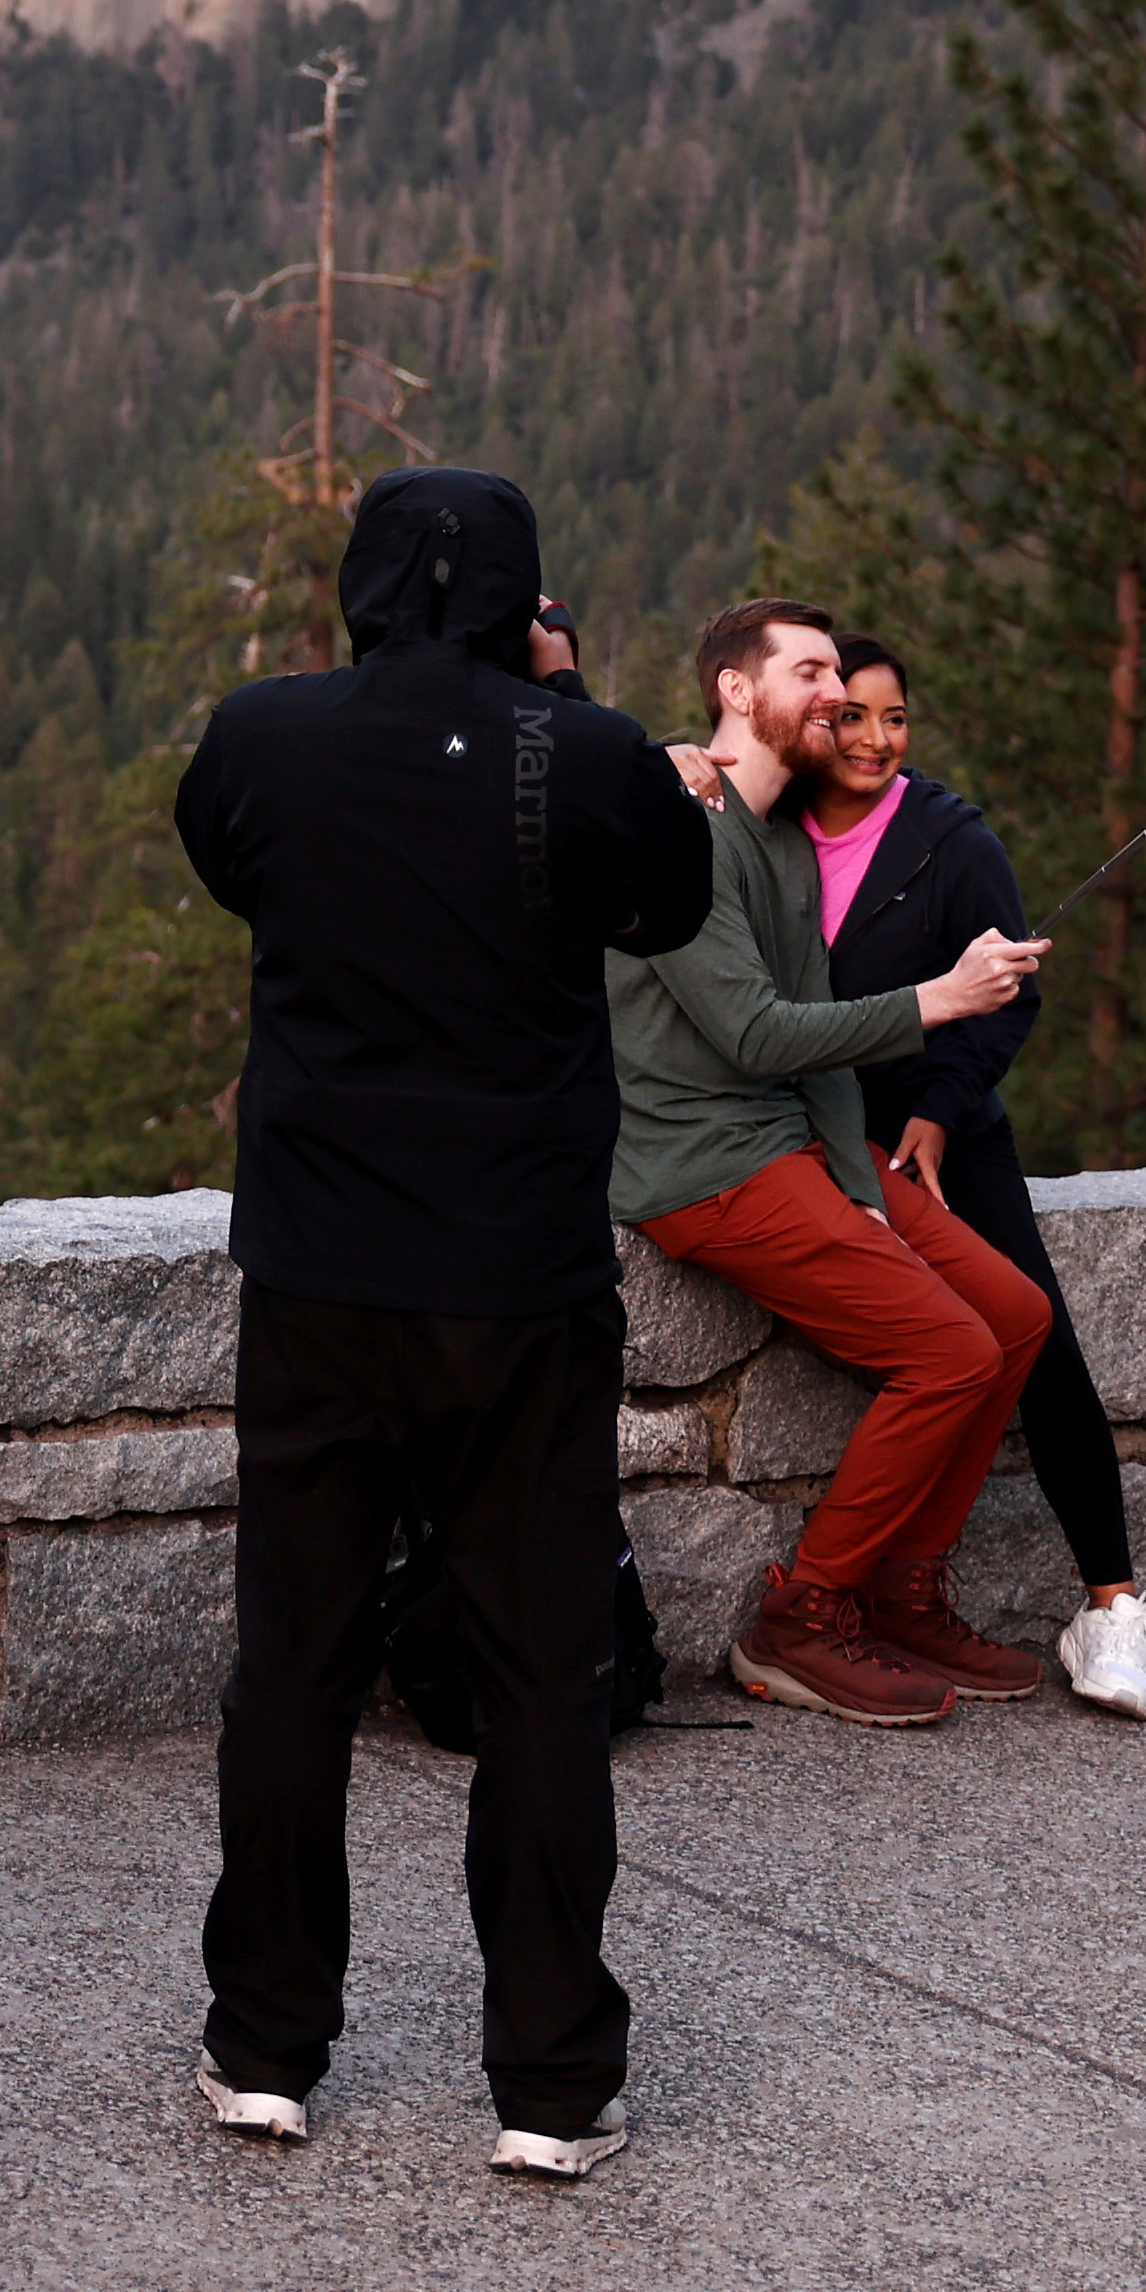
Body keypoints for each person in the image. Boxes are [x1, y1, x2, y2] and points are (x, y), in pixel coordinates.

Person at [168, 469, 716, 2186]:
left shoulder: (266, 736)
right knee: (542, 1676)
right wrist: (552, 702)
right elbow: (674, 901)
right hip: (517, 1283)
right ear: (525, 599)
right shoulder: (590, 752)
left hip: (323, 1266)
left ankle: (265, 2046)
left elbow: (230, 869)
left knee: (294, 1667)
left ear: (357, 586)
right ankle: (550, 2081)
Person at [607, 600, 1050, 1732]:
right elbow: (752, 1033)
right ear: (733, 692)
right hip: (701, 1161)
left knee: (1009, 1313)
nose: (833, 697)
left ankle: (901, 1586)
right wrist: (939, 998)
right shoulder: (684, 826)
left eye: (838, 678)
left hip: (798, 1140)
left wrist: (865, 1189)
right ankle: (798, 1617)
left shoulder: (771, 828)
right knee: (947, 1347)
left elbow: (803, 1019)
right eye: (808, 674)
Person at [810, 636, 1146, 1721]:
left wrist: (936, 1108)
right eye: (851, 717)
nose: (874, 739)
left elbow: (1010, 989)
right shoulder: (759, 826)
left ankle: (1109, 1603)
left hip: (940, 1127)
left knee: (1037, 1335)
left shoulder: (949, 839)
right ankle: (880, 1584)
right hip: (806, 1131)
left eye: (894, 717)